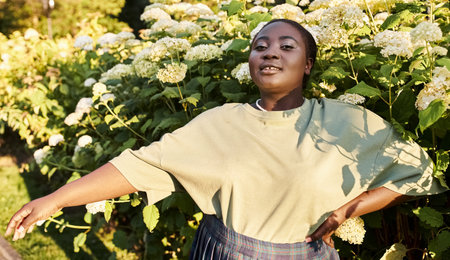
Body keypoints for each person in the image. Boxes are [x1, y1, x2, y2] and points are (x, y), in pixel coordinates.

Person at [6, 19, 446, 259]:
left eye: (287, 46)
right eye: (260, 45)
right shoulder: (219, 121)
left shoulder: (348, 122)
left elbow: (416, 171)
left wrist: (349, 209)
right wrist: (57, 199)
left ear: (309, 64)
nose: (270, 51)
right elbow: (141, 166)